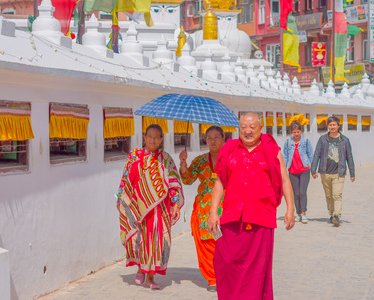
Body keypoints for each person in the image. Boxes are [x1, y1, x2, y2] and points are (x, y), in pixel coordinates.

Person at [207, 112, 295, 300]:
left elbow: (285, 180)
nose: (248, 131)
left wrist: (290, 209)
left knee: (256, 268)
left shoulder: (271, 149)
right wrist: (213, 211)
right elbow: (220, 182)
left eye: (252, 127)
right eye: (243, 127)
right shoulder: (229, 148)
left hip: (261, 217)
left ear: (260, 129)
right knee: (225, 261)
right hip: (232, 215)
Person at [116, 124, 184, 290]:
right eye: (150, 136)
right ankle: (140, 268)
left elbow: (173, 182)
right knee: (139, 238)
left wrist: (175, 204)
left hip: (159, 208)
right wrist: (121, 198)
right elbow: (126, 178)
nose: (153, 140)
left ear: (161, 139)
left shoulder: (166, 159)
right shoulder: (134, 155)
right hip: (137, 206)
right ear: (144, 137)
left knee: (157, 241)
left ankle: (150, 276)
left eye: (156, 137)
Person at [178, 126, 226, 292]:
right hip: (203, 210)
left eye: (216, 137)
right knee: (206, 245)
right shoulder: (200, 161)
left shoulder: (230, 158)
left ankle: (226, 275)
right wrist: (183, 163)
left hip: (225, 208)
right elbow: (187, 179)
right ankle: (212, 277)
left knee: (224, 244)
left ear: (223, 139)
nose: (212, 141)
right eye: (209, 138)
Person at [311, 116, 355, 227]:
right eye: (330, 125)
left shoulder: (344, 140)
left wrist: (352, 172)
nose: (332, 127)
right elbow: (317, 154)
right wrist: (313, 169)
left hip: (339, 173)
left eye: (334, 125)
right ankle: (331, 214)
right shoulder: (322, 139)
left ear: (338, 126)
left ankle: (337, 215)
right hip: (325, 173)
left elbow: (349, 157)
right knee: (329, 195)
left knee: (337, 195)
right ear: (328, 126)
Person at [282, 121, 314, 224]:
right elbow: (285, 157)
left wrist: (313, 170)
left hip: (304, 170)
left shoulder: (306, 142)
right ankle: (298, 214)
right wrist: (284, 170)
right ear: (292, 132)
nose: (296, 134)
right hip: (292, 171)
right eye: (295, 132)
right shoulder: (288, 143)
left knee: (302, 192)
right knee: (296, 194)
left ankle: (304, 214)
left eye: (298, 131)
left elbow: (310, 155)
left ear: (301, 131)